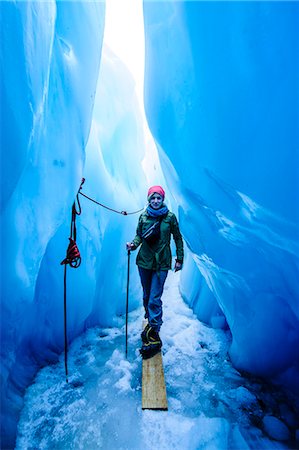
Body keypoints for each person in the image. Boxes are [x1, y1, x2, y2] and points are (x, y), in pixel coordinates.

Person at [126, 185, 184, 358]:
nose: (156, 201)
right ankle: (151, 322)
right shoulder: (143, 216)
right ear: (149, 200)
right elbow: (139, 236)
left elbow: (178, 238)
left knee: (154, 298)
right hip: (144, 261)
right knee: (146, 295)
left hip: (161, 262)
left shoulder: (170, 217)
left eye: (159, 198)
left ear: (163, 199)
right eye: (153, 198)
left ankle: (154, 332)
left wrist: (179, 258)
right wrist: (133, 244)